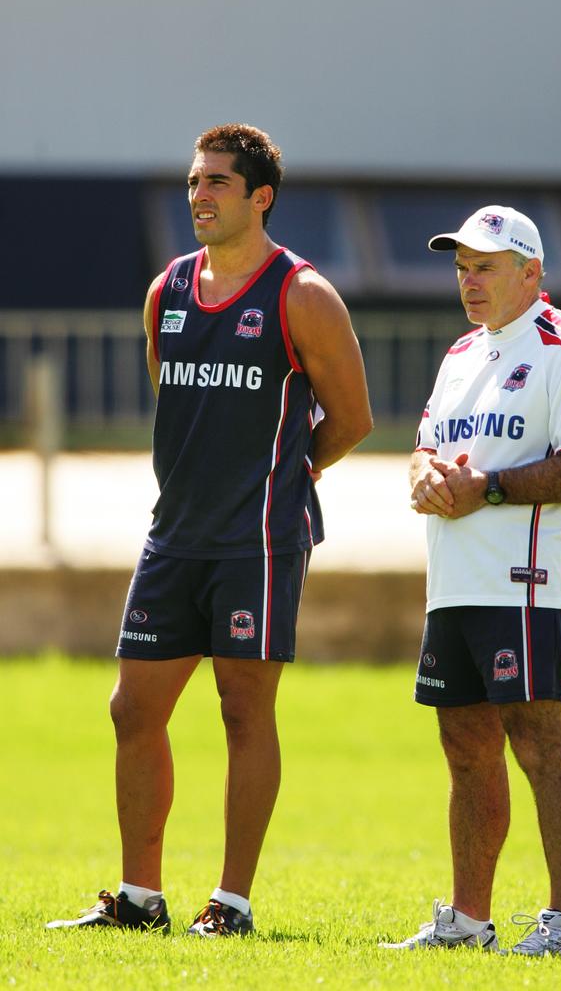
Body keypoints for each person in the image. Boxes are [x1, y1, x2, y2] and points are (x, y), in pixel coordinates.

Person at [47, 124, 372, 937]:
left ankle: (230, 903)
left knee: (242, 712)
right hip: (174, 536)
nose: (199, 195)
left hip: (258, 541)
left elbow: (354, 419)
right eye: (194, 181)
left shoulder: (302, 294)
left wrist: (291, 472)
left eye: (217, 183)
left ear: (259, 197)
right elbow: (176, 397)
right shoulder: (168, 290)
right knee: (131, 710)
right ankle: (139, 898)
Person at [382, 206, 561, 957]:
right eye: (461, 267)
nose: (469, 280)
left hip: (524, 580)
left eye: (485, 266)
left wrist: (485, 488)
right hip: (452, 578)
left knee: (540, 742)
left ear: (531, 272)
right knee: (463, 744)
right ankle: (467, 920)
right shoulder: (459, 354)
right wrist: (423, 479)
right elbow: (425, 448)